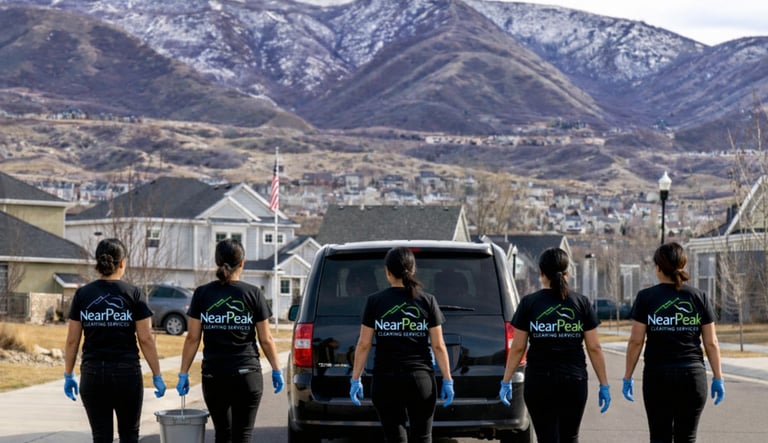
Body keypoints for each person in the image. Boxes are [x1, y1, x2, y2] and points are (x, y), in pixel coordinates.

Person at [176, 238, 284, 443]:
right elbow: (266, 339)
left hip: (214, 375)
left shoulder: (202, 293)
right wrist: (276, 369)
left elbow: (192, 338)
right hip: (247, 374)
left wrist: (183, 373)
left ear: (216, 262)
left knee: (223, 434)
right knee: (243, 435)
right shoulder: (253, 293)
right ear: (242, 263)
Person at [499, 247, 610, 443]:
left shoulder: (529, 303)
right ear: (567, 273)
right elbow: (594, 348)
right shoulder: (582, 303)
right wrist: (604, 384)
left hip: (539, 381)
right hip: (573, 381)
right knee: (570, 437)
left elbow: (518, 348)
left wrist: (506, 380)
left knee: (546, 438)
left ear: (541, 273)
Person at [63, 237, 166, 443]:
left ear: (98, 263)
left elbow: (72, 341)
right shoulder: (134, 294)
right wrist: (157, 374)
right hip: (126, 373)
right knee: (129, 435)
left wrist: (69, 374)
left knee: (101, 437)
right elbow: (146, 338)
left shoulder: (83, 294)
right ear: (122, 263)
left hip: (93, 373)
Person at [350, 246, 454, 443]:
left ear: (387, 272)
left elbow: (363, 344)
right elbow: (438, 345)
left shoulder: (375, 301)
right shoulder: (427, 301)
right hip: (420, 380)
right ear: (412, 270)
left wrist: (356, 379)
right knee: (423, 437)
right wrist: (448, 379)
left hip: (385, 380)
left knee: (394, 438)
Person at [623, 242, 724, 442]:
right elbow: (711, 342)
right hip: (692, 377)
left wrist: (628, 376)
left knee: (659, 437)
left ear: (658, 268)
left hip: (658, 376)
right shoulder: (699, 297)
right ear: (683, 265)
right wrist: (718, 377)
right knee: (687, 437)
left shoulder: (646, 297)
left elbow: (636, 341)